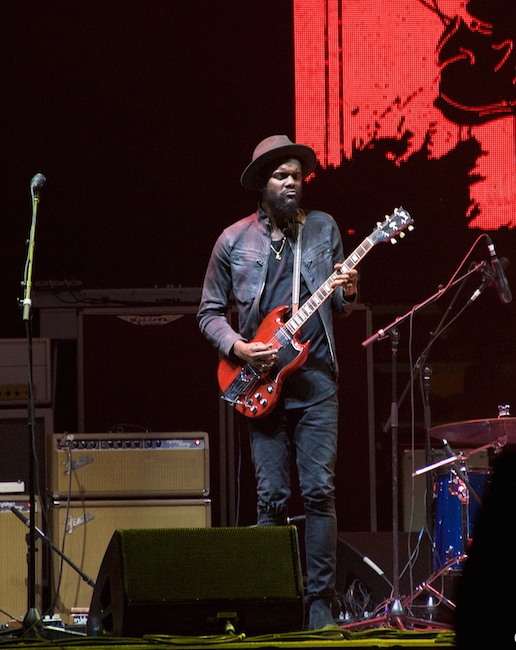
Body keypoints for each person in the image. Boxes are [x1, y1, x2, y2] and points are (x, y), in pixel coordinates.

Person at [198, 135, 358, 630]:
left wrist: (348, 292)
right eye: (281, 176)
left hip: (315, 379)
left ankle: (320, 606)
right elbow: (207, 314)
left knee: (319, 491)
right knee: (270, 497)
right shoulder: (232, 240)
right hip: (260, 380)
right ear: (262, 184)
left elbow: (339, 303)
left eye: (297, 175)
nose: (292, 182)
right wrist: (239, 348)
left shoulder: (324, 228)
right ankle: (272, 603)